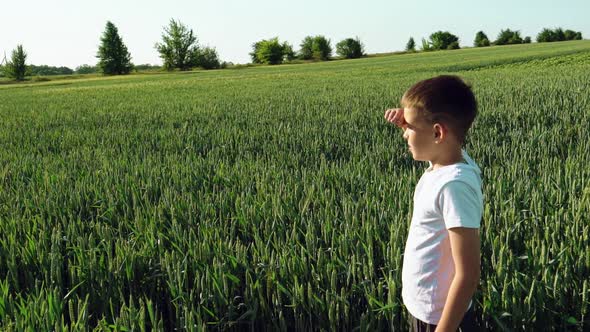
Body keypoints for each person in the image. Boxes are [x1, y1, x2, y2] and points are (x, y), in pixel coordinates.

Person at [384, 75, 483, 332]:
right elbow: (436, 142)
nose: (405, 134)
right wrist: (409, 120)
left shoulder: (454, 187)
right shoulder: (446, 162)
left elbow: (468, 274)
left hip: (439, 318)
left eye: (409, 128)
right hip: (427, 307)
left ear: (438, 132)